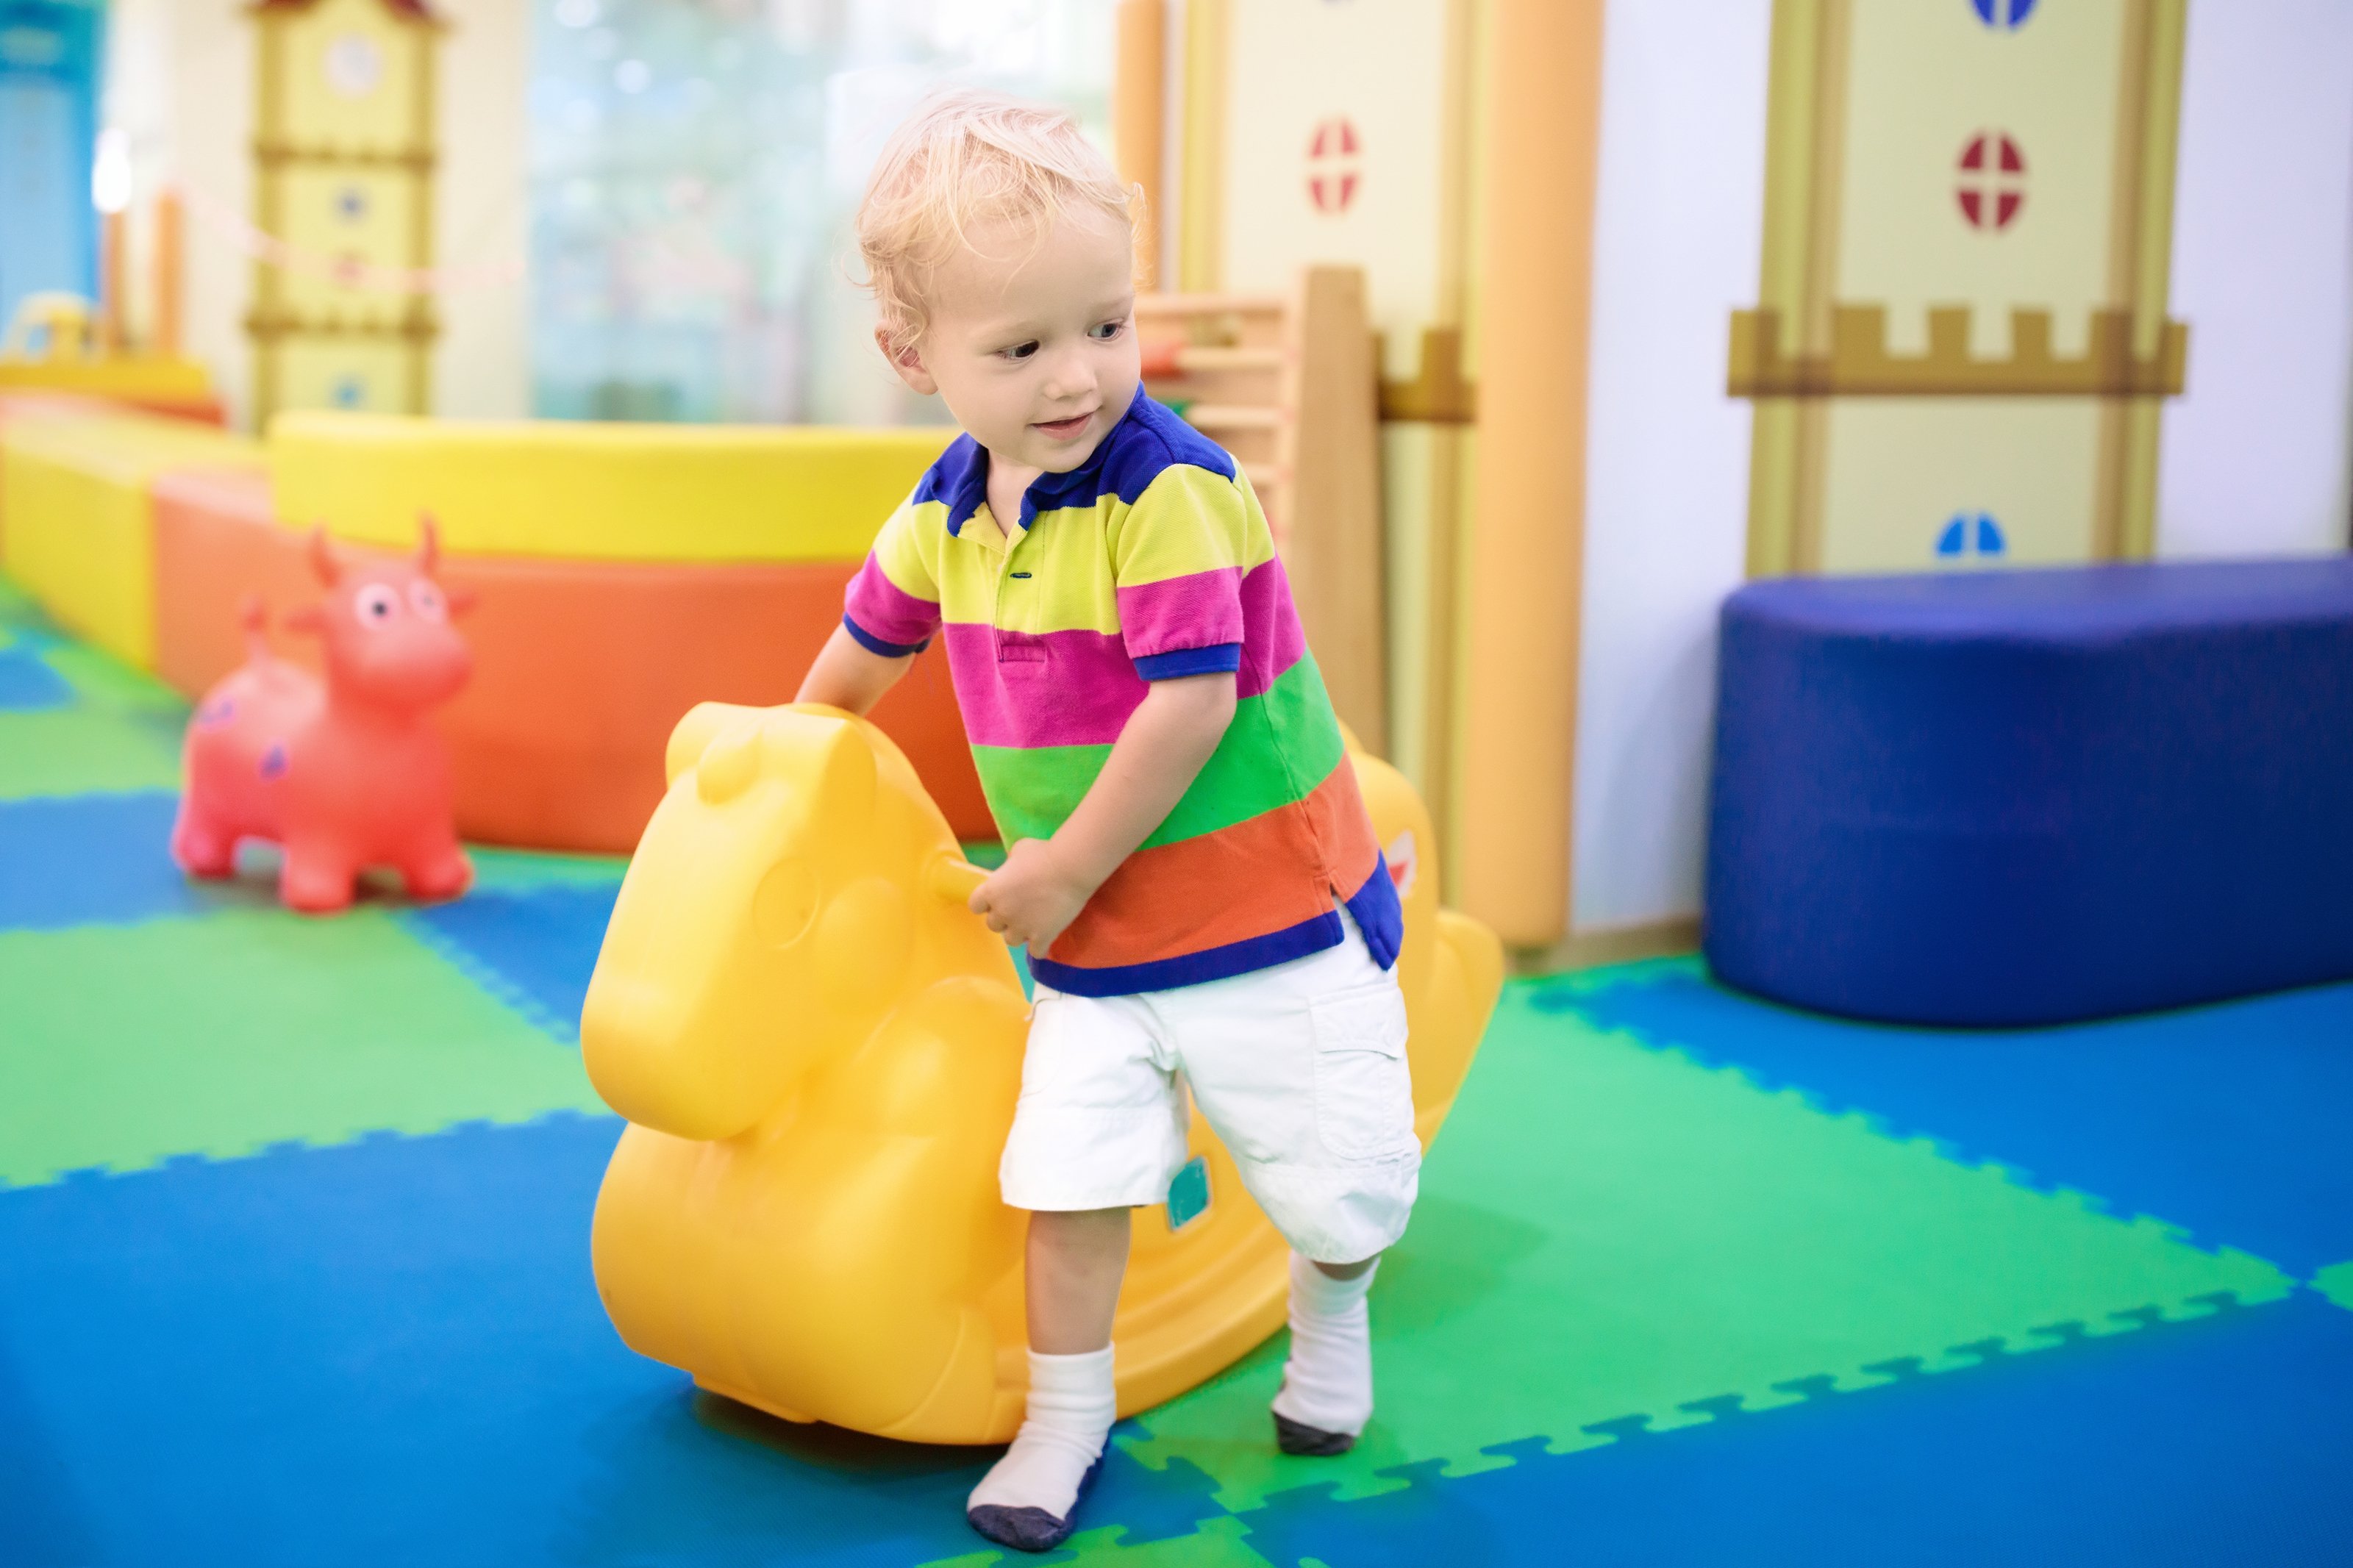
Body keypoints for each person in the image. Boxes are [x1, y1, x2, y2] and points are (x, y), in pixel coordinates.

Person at [796, 88, 1416, 1555]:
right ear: (912, 357)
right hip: (1093, 942)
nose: (1078, 377)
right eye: (1020, 349)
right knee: (1067, 1187)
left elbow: (1188, 705)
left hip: (1260, 907)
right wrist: (779, 767)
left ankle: (1330, 1314)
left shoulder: (1172, 492)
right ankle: (1065, 1412)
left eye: (1106, 324)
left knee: (1334, 1183)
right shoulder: (945, 511)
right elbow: (853, 669)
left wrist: (1061, 865)